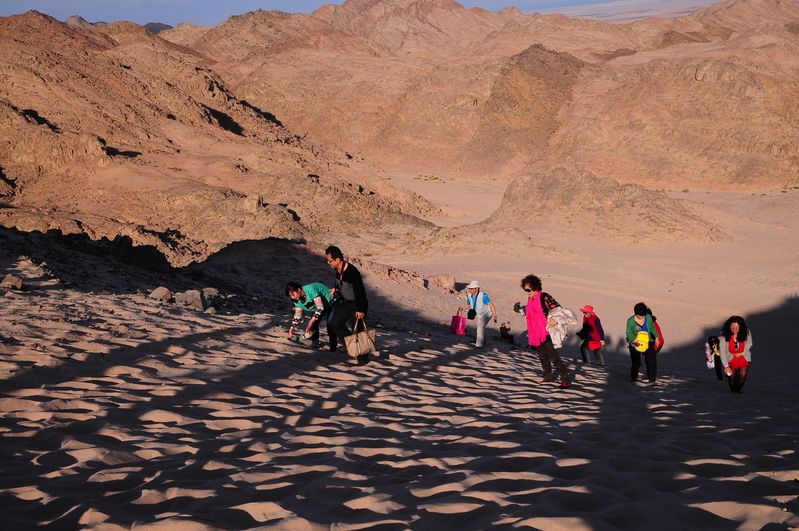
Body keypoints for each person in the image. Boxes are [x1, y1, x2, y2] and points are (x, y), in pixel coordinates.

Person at [516, 274, 570, 388]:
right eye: (525, 289)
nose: (526, 292)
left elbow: (558, 309)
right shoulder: (530, 299)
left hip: (547, 331)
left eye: (528, 289)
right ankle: (548, 376)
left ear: (535, 287)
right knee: (542, 356)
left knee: (554, 356)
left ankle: (565, 379)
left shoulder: (544, 297)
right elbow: (530, 313)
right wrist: (521, 310)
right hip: (535, 332)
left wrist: (555, 320)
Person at [325, 245, 369, 364]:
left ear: (337, 260)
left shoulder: (352, 272)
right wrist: (336, 291)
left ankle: (363, 359)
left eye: (329, 261)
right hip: (345, 303)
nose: (328, 263)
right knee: (334, 323)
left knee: (359, 331)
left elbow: (360, 292)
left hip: (357, 305)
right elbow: (340, 285)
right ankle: (352, 346)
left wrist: (360, 310)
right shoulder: (337, 270)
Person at [285, 281, 333, 349]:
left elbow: (320, 308)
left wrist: (310, 323)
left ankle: (334, 348)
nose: (292, 297)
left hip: (330, 302)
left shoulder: (310, 290)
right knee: (313, 325)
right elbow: (297, 316)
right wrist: (291, 329)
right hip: (318, 307)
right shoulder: (296, 300)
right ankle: (315, 344)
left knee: (331, 325)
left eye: (293, 294)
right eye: (290, 296)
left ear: (298, 290)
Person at [625, 302, 661, 384]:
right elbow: (628, 332)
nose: (641, 317)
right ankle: (633, 378)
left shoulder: (648, 317)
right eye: (639, 316)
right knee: (636, 362)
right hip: (635, 342)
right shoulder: (630, 321)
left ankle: (652, 380)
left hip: (648, 341)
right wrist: (633, 340)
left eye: (642, 315)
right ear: (635, 313)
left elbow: (652, 327)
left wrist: (656, 337)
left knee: (651, 360)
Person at [719, 315, 752, 393]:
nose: (734, 330)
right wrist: (726, 366)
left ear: (741, 327)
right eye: (732, 327)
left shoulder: (746, 331)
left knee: (742, 375)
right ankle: (733, 391)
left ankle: (738, 390)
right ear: (729, 325)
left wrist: (741, 353)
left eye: (737, 328)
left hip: (743, 356)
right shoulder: (724, 333)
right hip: (730, 357)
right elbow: (722, 351)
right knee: (732, 376)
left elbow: (749, 343)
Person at [460, 280, 497, 348]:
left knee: (480, 328)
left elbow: (491, 305)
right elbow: (469, 304)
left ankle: (478, 345)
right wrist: (463, 308)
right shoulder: (469, 296)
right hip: (479, 315)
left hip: (487, 314)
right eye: (469, 288)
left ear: (476, 289)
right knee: (480, 328)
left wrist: (495, 315)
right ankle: (482, 340)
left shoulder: (483, 296)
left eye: (471, 288)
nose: (470, 290)